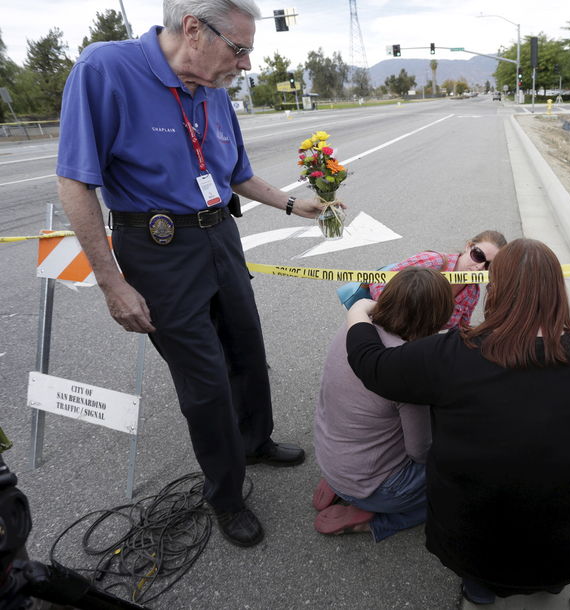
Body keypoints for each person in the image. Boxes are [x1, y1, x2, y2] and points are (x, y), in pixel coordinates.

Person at [54, 0, 330, 547]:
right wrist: (113, 284)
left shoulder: (214, 91)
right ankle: (225, 494)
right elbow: (75, 183)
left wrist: (290, 204)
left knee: (246, 348)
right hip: (155, 245)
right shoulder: (105, 69)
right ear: (194, 29)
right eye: (241, 49)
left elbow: (238, 174)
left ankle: (255, 440)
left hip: (219, 234)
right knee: (205, 381)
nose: (246, 65)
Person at [345, 238, 570, 603]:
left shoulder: (453, 353)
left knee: (479, 558)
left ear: (494, 290)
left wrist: (357, 312)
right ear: (559, 291)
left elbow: (373, 367)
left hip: (469, 549)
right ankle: (548, 582)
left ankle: (480, 587)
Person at [311, 267, 453, 540]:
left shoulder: (355, 329)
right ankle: (377, 520)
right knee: (459, 483)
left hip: (331, 456)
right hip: (372, 484)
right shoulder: (409, 368)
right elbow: (420, 452)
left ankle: (339, 485)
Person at [368, 230, 507, 329]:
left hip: (415, 345)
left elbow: (460, 332)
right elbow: (378, 281)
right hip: (385, 328)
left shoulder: (472, 293)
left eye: (490, 265)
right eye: (478, 255)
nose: (480, 267)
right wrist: (395, 313)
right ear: (468, 246)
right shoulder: (434, 261)